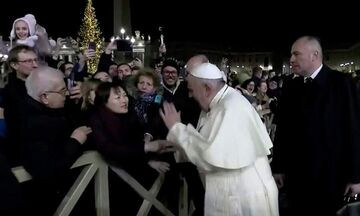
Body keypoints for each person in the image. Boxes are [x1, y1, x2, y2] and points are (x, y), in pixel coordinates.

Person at [160, 62, 279, 215]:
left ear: (207, 89)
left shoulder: (230, 107)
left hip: (243, 199)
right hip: (236, 194)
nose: (190, 95)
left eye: (191, 90)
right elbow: (207, 142)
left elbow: (209, 157)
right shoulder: (220, 102)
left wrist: (177, 129)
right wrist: (176, 144)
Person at [271, 36, 360, 215]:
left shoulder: (341, 83)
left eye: (296, 54)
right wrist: (278, 166)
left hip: (331, 177)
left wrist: (355, 177)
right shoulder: (291, 86)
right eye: (291, 55)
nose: (291, 59)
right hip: (296, 177)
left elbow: (354, 130)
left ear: (315, 55)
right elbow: (283, 130)